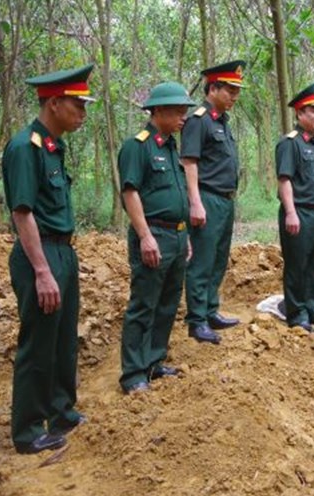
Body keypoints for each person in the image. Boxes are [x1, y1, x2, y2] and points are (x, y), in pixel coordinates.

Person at [1, 64, 95, 454]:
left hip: (63, 251)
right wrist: (42, 271)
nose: (83, 114)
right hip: (39, 253)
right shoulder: (26, 147)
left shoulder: (55, 147)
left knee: (62, 340)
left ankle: (61, 410)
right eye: (77, 105)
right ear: (54, 103)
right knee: (39, 342)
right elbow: (23, 213)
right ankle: (27, 430)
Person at [117, 82, 195, 394]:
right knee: (144, 303)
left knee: (167, 302)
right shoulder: (138, 146)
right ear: (158, 111)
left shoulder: (170, 146)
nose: (183, 118)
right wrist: (145, 236)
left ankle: (153, 360)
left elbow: (175, 194)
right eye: (178, 111)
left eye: (185, 111)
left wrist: (184, 233)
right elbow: (130, 192)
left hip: (175, 235)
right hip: (153, 234)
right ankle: (133, 373)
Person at [180, 60, 246, 344]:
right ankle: (196, 320)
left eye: (236, 91)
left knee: (218, 258)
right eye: (230, 90)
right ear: (213, 88)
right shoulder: (199, 120)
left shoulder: (222, 121)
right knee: (202, 260)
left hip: (225, 201)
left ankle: (210, 310)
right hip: (206, 198)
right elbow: (189, 162)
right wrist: (195, 202)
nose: (234, 96)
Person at [275, 83, 314, 333]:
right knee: (297, 266)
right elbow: (284, 179)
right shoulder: (290, 143)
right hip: (298, 213)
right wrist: (290, 212)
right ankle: (297, 313)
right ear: (300, 113)